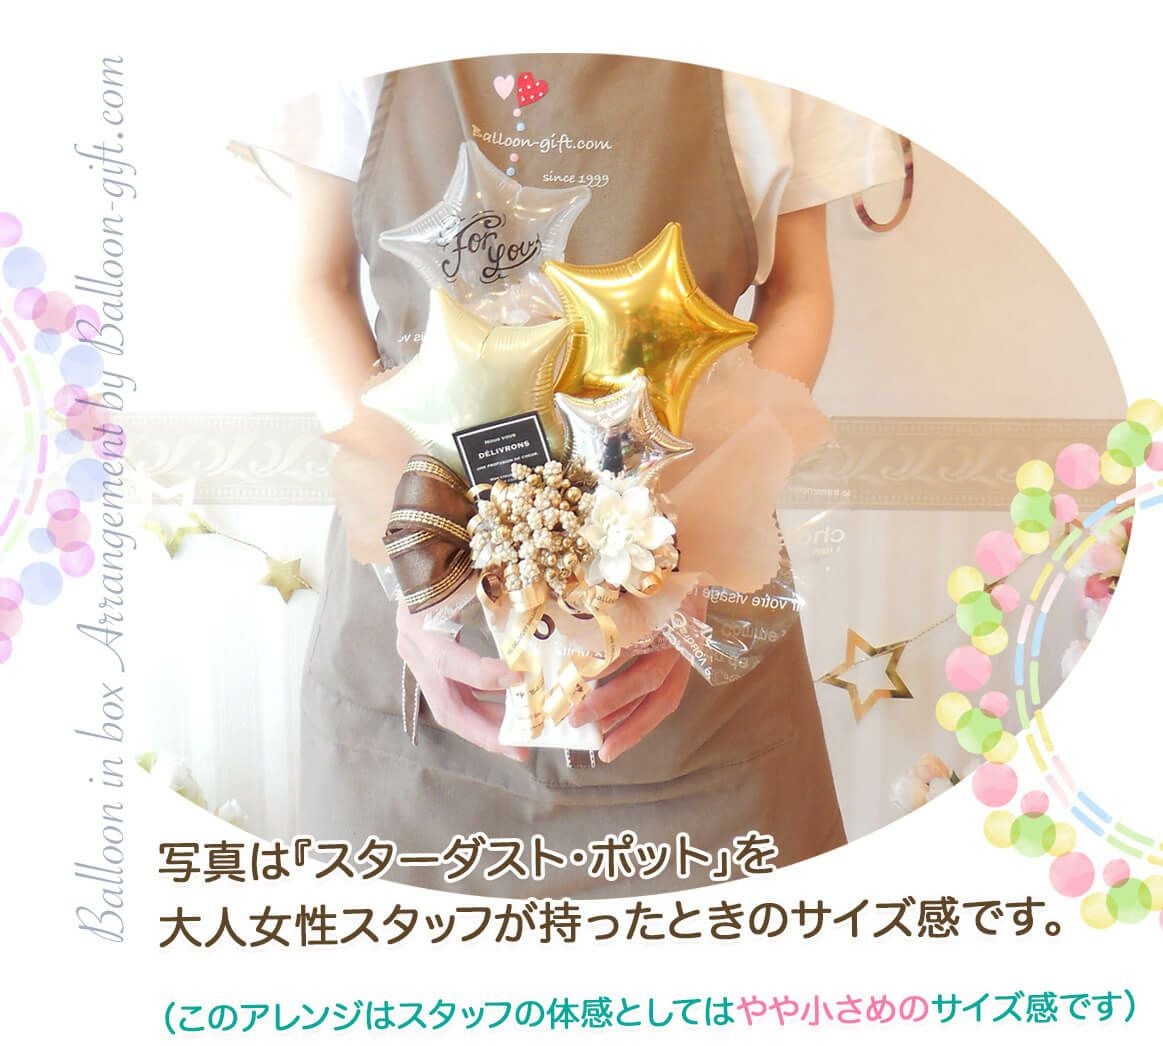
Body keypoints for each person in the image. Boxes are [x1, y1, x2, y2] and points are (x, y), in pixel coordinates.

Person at [250, 54, 903, 897]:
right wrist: (414, 562)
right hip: (415, 622)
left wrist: (686, 557)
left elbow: (797, 294)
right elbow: (317, 283)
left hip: (693, 622)